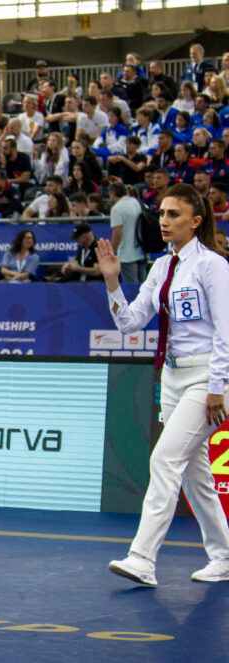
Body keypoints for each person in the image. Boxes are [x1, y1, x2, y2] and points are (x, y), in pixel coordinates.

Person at [99, 183, 229, 586]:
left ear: (196, 220)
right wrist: (112, 282)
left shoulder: (212, 265)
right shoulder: (161, 268)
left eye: (174, 214)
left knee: (164, 460)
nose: (164, 221)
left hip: (205, 375)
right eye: (161, 213)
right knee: (195, 474)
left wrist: (218, 387)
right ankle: (224, 557)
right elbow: (129, 322)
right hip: (172, 376)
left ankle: (142, 558)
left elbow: (226, 330)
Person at [109, 181, 147, 283]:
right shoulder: (136, 202)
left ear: (112, 193)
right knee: (143, 286)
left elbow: (117, 234)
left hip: (126, 255)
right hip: (140, 251)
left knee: (131, 287)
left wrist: (111, 252)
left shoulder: (116, 209)